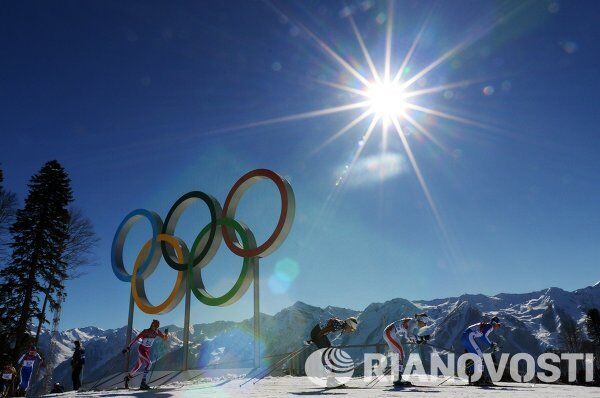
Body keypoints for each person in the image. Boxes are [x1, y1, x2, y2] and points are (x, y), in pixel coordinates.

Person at [383, 313, 430, 387]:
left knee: (400, 354)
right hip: (389, 333)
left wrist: (418, 340)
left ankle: (398, 377)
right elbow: (409, 335)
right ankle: (398, 378)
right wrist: (422, 338)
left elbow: (408, 336)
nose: (426, 324)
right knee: (400, 353)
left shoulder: (412, 322)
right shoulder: (413, 323)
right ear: (421, 320)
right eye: (425, 321)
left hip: (390, 333)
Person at [122, 319, 168, 390]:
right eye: (155, 326)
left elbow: (165, 339)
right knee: (149, 363)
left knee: (138, 366)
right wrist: (128, 347)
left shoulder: (157, 332)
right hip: (141, 349)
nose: (156, 328)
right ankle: (143, 383)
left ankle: (127, 378)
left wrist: (166, 334)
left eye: (157, 327)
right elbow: (135, 339)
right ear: (152, 325)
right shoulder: (145, 331)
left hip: (147, 351)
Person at [461, 316, 501, 385]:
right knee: (479, 357)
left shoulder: (486, 325)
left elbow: (481, 337)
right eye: (498, 325)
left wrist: (491, 344)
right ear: (494, 323)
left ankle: (473, 377)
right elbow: (483, 336)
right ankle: (478, 378)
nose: (497, 327)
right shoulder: (490, 326)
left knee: (476, 357)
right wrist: (491, 344)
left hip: (465, 337)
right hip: (468, 337)